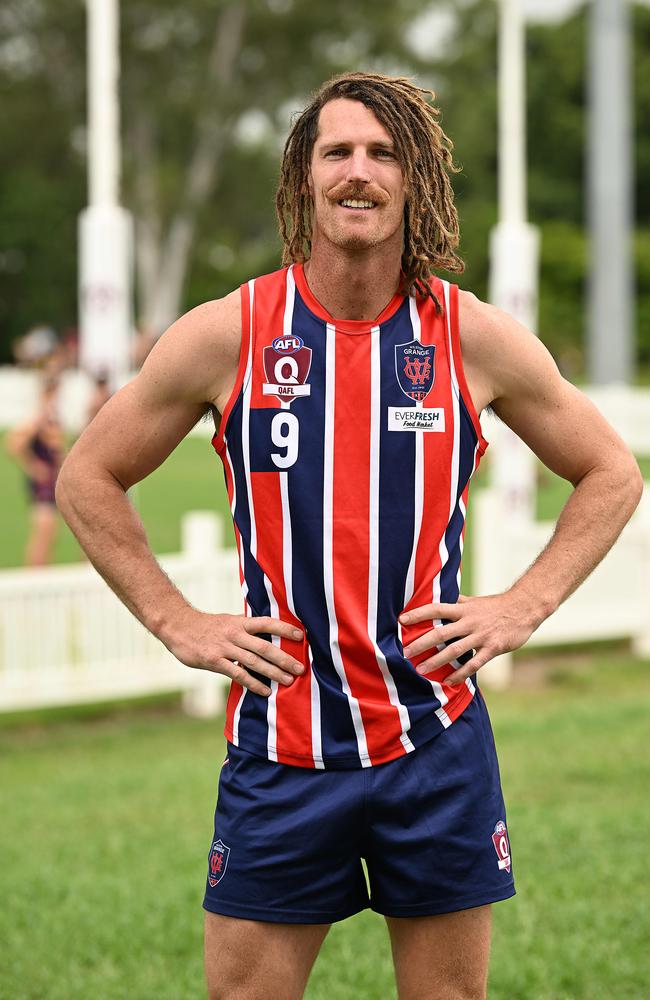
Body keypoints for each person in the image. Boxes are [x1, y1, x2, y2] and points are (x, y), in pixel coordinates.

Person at [56, 72, 643, 1000]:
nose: (359, 172)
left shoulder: (472, 338)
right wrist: (176, 621)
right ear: (304, 179)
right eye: (338, 152)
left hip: (435, 739)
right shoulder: (230, 334)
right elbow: (89, 474)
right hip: (281, 743)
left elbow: (612, 471)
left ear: (415, 180)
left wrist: (524, 605)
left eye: (383, 153)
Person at [7, 375, 65, 566]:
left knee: (50, 533)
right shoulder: (38, 419)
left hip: (52, 482)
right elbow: (13, 445)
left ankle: (42, 576)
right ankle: (33, 577)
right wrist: (33, 466)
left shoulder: (51, 418)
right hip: (42, 484)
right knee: (43, 532)